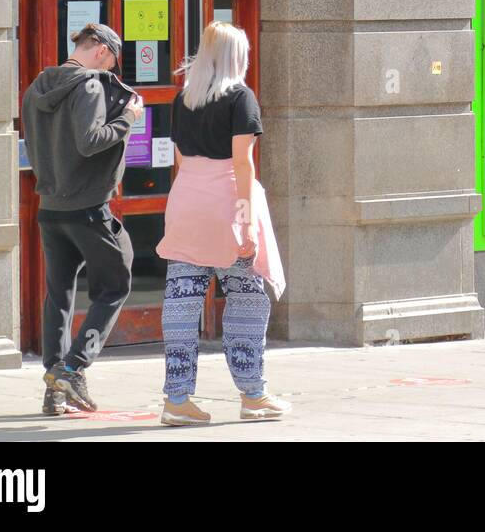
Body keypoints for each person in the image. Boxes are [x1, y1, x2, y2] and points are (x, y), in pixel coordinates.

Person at [156, 21, 288, 426]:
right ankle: (254, 394)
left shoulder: (184, 98)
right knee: (247, 298)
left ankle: (177, 400)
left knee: (182, 299)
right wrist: (247, 221)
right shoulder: (241, 98)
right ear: (237, 56)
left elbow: (180, 159)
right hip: (226, 208)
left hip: (186, 203)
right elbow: (242, 163)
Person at [21, 22, 143, 415]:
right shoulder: (90, 86)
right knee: (117, 282)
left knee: (59, 295)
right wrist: (128, 118)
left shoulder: (37, 87)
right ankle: (73, 367)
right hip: (88, 209)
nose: (110, 74)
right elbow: (90, 142)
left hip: (51, 208)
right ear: (103, 52)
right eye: (112, 63)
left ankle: (55, 391)